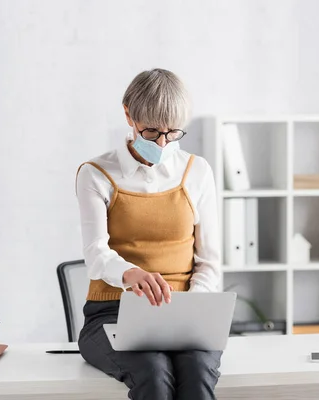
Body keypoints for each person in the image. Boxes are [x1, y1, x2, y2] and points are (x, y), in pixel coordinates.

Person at [75, 68, 222, 400]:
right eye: (152, 131)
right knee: (154, 374)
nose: (162, 143)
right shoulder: (96, 175)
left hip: (187, 311)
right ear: (128, 114)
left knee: (197, 373)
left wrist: (190, 314)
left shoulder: (197, 171)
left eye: (172, 134)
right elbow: (96, 255)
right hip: (114, 311)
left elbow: (209, 262)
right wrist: (130, 273)